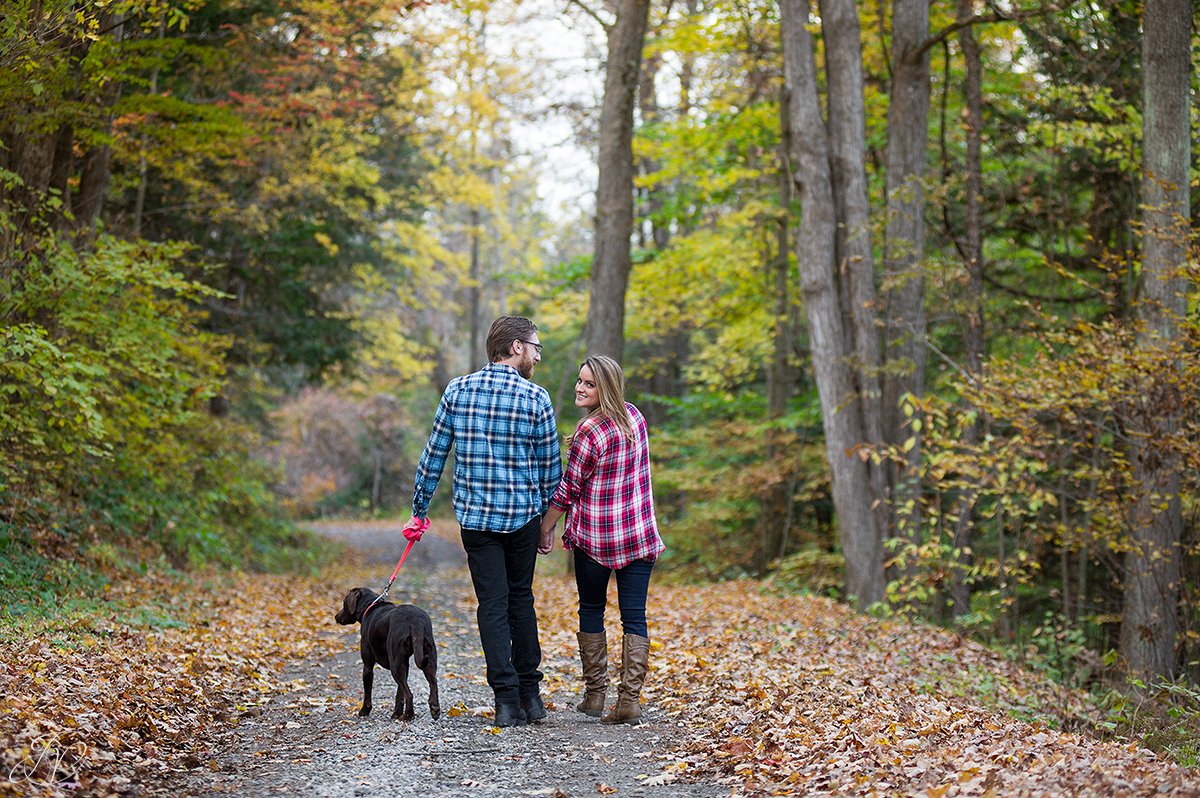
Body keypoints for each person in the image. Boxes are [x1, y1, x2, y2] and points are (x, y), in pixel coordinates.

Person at [406, 316, 562, 728]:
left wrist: (419, 510)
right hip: (524, 518)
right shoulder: (536, 398)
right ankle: (532, 697)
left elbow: (433, 456)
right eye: (535, 347)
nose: (537, 355)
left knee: (492, 606)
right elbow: (551, 470)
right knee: (520, 601)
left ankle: (506, 702)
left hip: (477, 521)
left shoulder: (457, 391)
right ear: (515, 347)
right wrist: (548, 523)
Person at [539, 355, 665, 726]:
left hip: (596, 540)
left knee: (592, 610)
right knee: (634, 616)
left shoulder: (589, 432)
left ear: (605, 388)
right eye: (580, 381)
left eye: (589, 384)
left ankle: (596, 697)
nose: (580, 388)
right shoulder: (635, 418)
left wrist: (545, 527)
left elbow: (568, 490)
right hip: (638, 537)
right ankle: (628, 701)